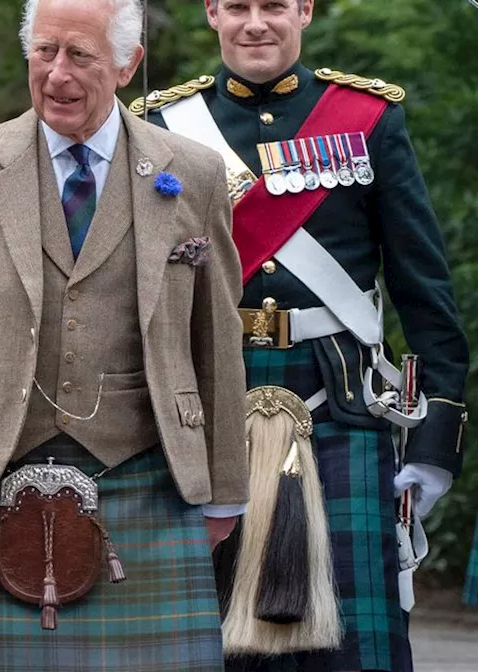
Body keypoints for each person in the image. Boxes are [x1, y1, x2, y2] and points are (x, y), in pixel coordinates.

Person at [0, 0, 248, 669]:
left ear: (127, 64)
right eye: (44, 52)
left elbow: (215, 340)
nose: (57, 74)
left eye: (80, 56)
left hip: (149, 478)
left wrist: (226, 488)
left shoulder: (192, 172)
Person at [133, 1, 469, 670]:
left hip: (339, 401)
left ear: (305, 11)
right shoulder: (161, 126)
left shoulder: (368, 120)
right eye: (238, 7)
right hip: (205, 407)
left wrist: (435, 439)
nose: (256, 23)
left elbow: (423, 289)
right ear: (211, 13)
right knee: (205, 644)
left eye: (274, 6)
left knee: (354, 646)